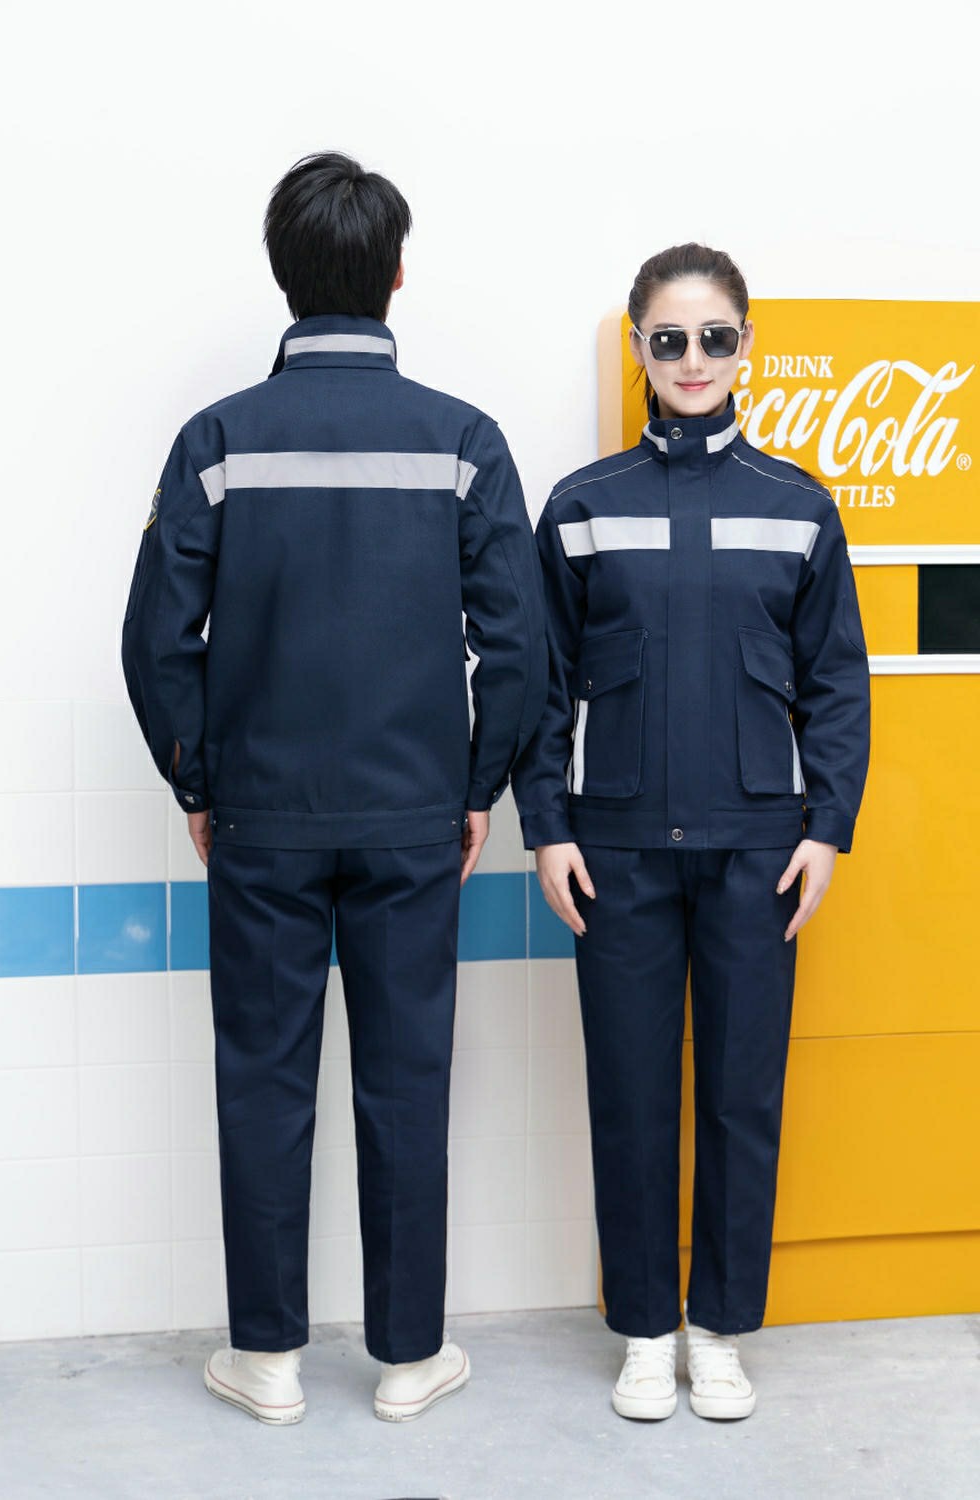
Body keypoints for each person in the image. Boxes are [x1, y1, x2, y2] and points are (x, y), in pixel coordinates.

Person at [122, 151, 547, 1425]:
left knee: (262, 1079)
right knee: (407, 1082)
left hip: (260, 818)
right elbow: (518, 646)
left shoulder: (218, 440)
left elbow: (155, 641)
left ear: (282, 275)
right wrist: (477, 787)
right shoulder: (463, 441)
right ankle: (410, 1359)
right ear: (397, 276)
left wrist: (199, 780)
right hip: (415, 817)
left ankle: (265, 1361)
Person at [512, 243, 870, 1422]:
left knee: (739, 1099)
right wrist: (547, 827)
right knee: (629, 1097)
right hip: (613, 851)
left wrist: (826, 829)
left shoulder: (798, 506)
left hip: (758, 851)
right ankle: (641, 1331)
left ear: (746, 346)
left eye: (715, 337)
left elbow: (836, 682)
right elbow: (537, 685)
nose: (693, 359)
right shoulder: (582, 506)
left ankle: (716, 1331)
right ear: (639, 349)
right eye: (669, 339)